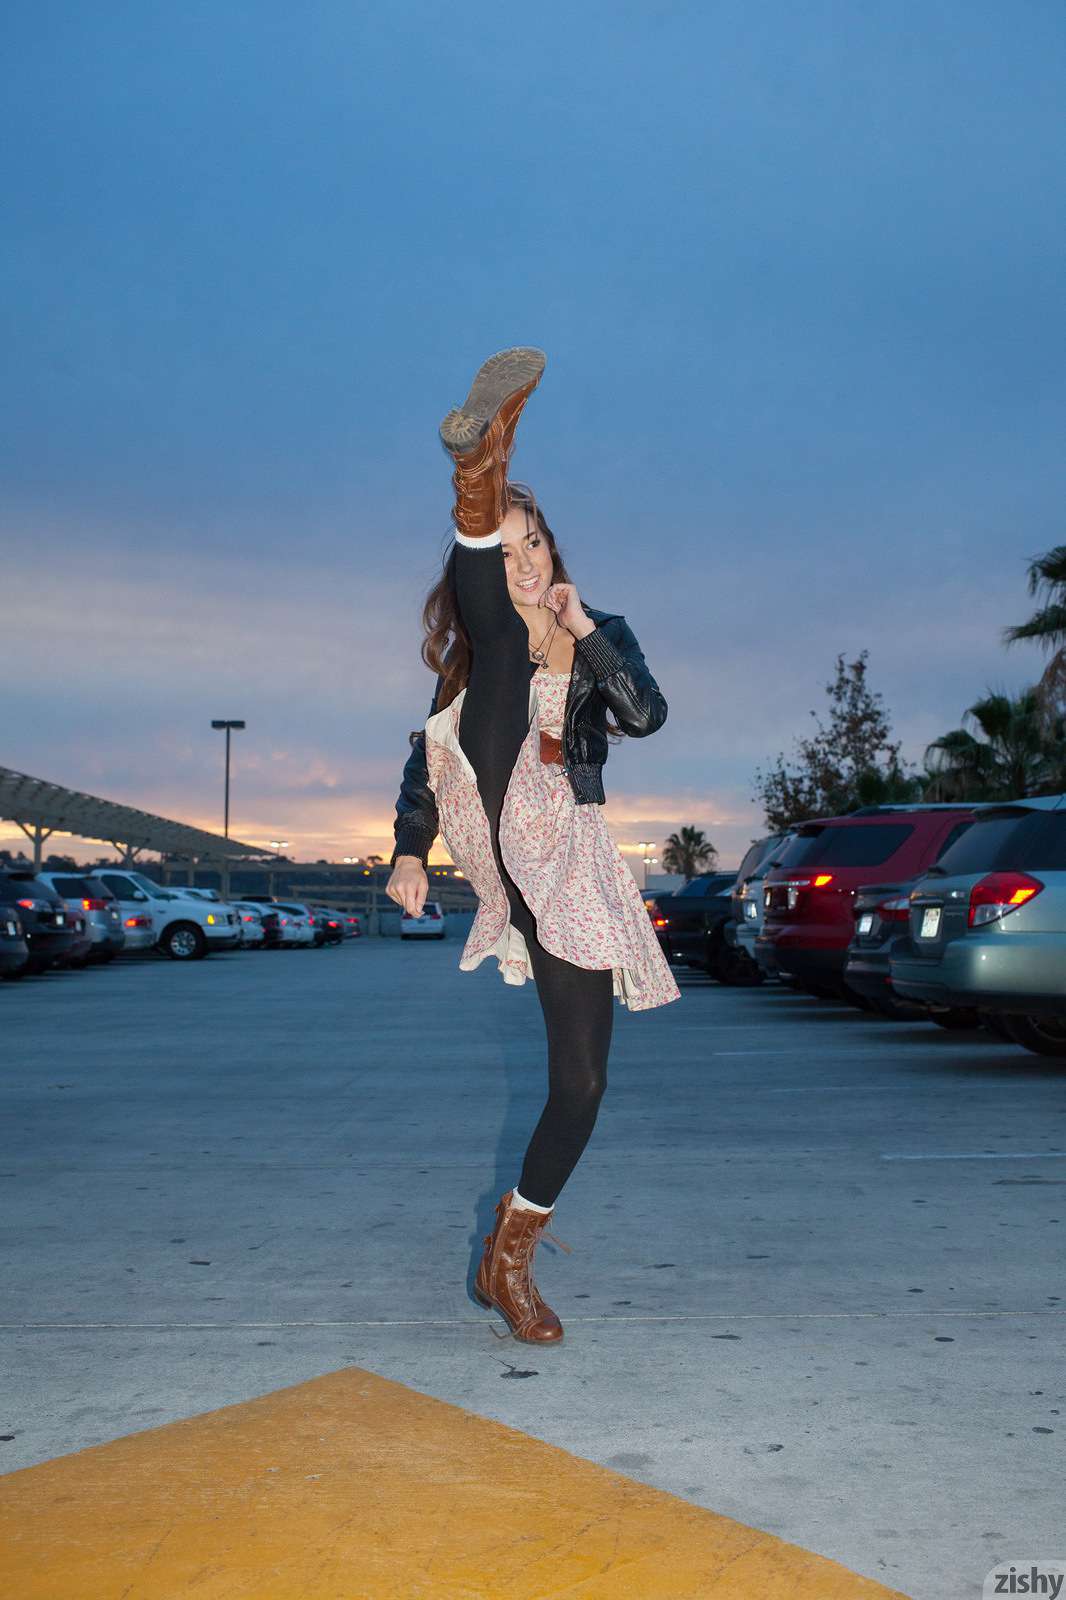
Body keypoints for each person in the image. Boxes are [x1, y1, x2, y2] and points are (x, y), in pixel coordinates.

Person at [386, 347, 680, 1344]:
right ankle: (478, 467)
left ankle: (507, 1252)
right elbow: (425, 761)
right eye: (505, 549)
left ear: (556, 549)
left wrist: (584, 629)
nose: (526, 563)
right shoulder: (482, 652)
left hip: (568, 862)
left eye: (535, 543)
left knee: (582, 1084)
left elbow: (644, 715)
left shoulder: (598, 631)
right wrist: (410, 849)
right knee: (503, 640)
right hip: (495, 831)